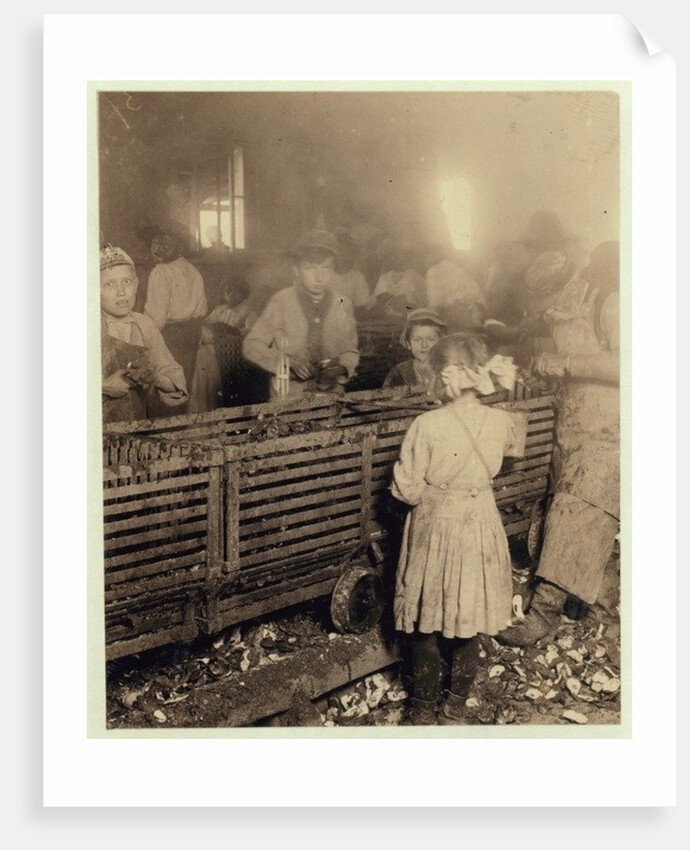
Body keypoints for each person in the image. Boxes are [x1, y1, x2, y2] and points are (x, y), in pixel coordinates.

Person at [391, 333, 523, 724]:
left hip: (438, 527)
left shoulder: (426, 424)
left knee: (424, 626)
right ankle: (454, 711)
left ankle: (421, 713)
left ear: (444, 376)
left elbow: (406, 489)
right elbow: (510, 461)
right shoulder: (501, 420)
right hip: (482, 523)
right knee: (471, 622)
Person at [498, 248, 620, 646]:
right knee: (562, 513)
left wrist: (566, 361)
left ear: (572, 286)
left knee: (578, 511)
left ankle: (543, 615)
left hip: (611, 434)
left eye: (551, 305)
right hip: (572, 429)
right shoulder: (561, 313)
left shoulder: (610, 303)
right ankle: (589, 597)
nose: (547, 313)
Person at [242, 229, 360, 398]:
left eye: (326, 268)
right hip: (289, 397)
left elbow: (350, 350)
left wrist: (342, 368)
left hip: (331, 397)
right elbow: (251, 346)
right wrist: (287, 361)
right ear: (296, 270)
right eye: (311, 269)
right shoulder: (281, 302)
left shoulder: (343, 304)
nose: (320, 277)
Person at [100, 244, 188, 423]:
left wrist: (154, 377)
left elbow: (175, 383)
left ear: (137, 284)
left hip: (133, 434)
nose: (121, 292)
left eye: (127, 282)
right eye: (109, 284)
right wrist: (103, 386)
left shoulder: (144, 325)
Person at [142, 222, 208, 400]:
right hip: (192, 334)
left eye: (165, 246)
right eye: (155, 244)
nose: (158, 249)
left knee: (167, 386)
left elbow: (157, 320)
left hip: (170, 337)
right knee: (184, 383)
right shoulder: (193, 270)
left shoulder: (161, 272)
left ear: (179, 248)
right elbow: (202, 307)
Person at [382, 308, 447, 397]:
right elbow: (385, 402)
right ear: (408, 344)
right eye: (417, 340)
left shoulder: (448, 370)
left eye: (431, 339)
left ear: (440, 342)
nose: (424, 345)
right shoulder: (398, 373)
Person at [366, 248, 426, 317]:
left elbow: (424, 296)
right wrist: (383, 299)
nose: (398, 261)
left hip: (411, 311)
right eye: (395, 258)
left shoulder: (413, 275)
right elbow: (373, 301)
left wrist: (406, 302)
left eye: (401, 258)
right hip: (387, 315)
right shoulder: (385, 277)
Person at [331, 231, 371, 310]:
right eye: (341, 255)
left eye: (349, 255)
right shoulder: (326, 275)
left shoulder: (357, 277)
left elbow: (362, 302)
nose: (345, 259)